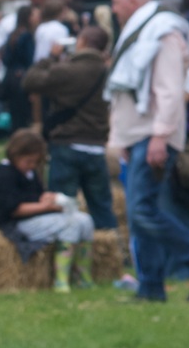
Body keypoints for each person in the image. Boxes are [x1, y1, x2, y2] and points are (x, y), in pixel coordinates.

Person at [106, 0, 189, 303]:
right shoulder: (146, 30)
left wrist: (160, 136)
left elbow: (169, 89)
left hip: (152, 135)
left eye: (116, 2)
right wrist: (124, 137)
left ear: (132, 1)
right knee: (140, 215)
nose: (113, 9)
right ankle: (150, 286)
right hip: (140, 135)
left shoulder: (163, 32)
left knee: (142, 212)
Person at [21, 25, 117, 230]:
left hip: (67, 144)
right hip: (96, 146)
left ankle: (66, 247)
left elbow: (30, 81)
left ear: (82, 42)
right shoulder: (109, 72)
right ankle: (111, 246)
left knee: (62, 207)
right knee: (102, 208)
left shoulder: (68, 70)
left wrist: (50, 57)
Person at [0, 129, 95, 292]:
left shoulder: (30, 173)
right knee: (70, 224)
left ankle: (83, 277)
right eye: (28, 161)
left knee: (85, 220)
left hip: (37, 217)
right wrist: (46, 206)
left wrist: (48, 197)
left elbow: (36, 195)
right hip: (16, 224)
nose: (32, 166)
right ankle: (61, 280)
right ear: (15, 155)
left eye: (35, 162)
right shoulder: (3, 176)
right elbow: (13, 209)